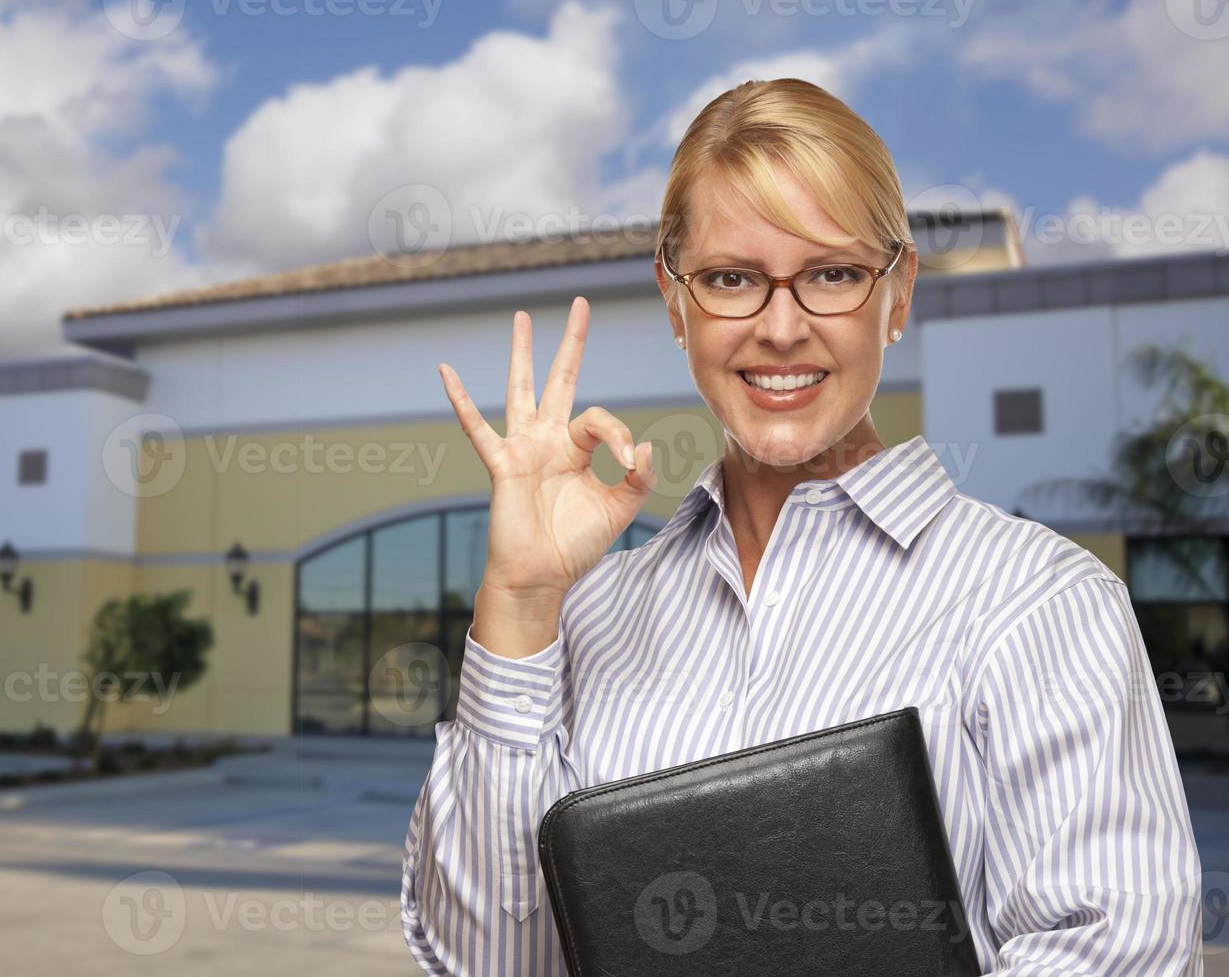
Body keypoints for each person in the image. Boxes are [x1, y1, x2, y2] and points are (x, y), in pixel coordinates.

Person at [400, 77, 1203, 976]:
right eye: (732, 279)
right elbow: (494, 959)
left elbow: (1115, 953)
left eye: (831, 274)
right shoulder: (586, 618)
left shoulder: (1038, 602)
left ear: (895, 295)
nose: (780, 328)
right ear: (676, 302)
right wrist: (519, 602)